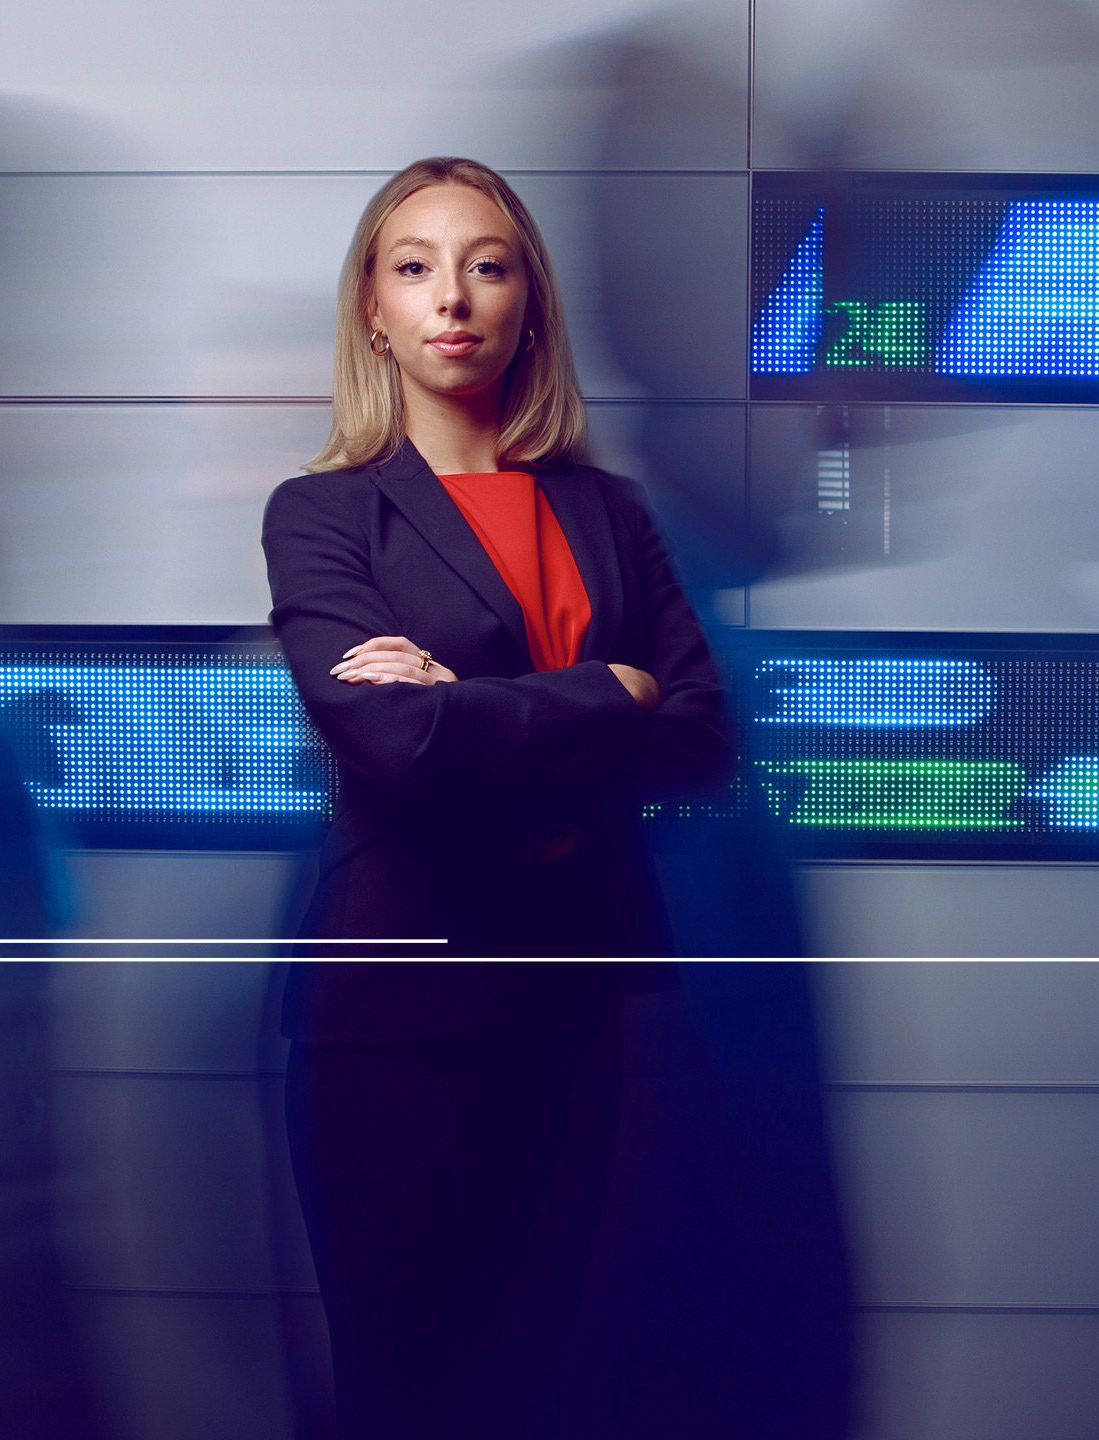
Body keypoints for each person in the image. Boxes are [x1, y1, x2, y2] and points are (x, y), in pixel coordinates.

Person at [259, 156, 736, 1438]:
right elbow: (390, 743)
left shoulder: (610, 511)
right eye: (413, 267)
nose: (451, 297)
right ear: (373, 309)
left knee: (561, 1377)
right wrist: (607, 690)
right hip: (396, 1016)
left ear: (530, 300)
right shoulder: (323, 516)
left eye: (486, 263)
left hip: (589, 1002)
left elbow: (700, 741)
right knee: (405, 1387)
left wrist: (466, 700)